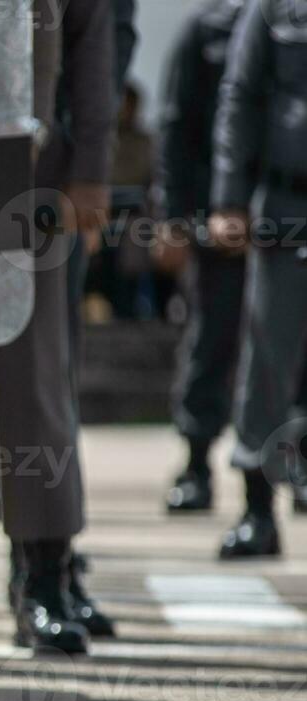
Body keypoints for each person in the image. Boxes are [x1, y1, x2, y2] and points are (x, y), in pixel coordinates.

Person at [0, 0, 118, 655]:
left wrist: (92, 171)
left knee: (35, 384)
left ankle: (41, 576)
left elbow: (94, 49)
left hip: (31, 179)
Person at [210, 0, 307, 558]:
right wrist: (228, 198)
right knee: (269, 355)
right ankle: (256, 508)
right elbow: (239, 96)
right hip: (287, 205)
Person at [156, 0, 250, 515]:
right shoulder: (206, 28)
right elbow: (177, 128)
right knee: (211, 340)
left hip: (290, 210)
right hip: (221, 222)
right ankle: (196, 462)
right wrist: (173, 217)